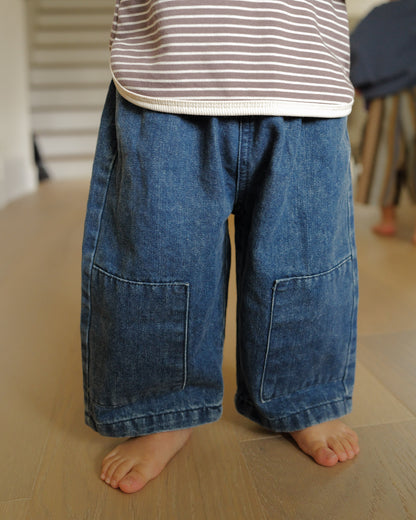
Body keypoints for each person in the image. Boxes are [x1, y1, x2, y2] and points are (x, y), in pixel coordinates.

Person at [81, 0, 360, 494]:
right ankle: (162, 405)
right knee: (159, 255)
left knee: (305, 259)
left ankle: (300, 394)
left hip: (302, 76)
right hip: (170, 76)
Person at [350, 0, 416, 244]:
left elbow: (358, 45)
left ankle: (388, 220)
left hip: (384, 94)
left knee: (384, 156)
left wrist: (358, 79)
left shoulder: (380, 13)